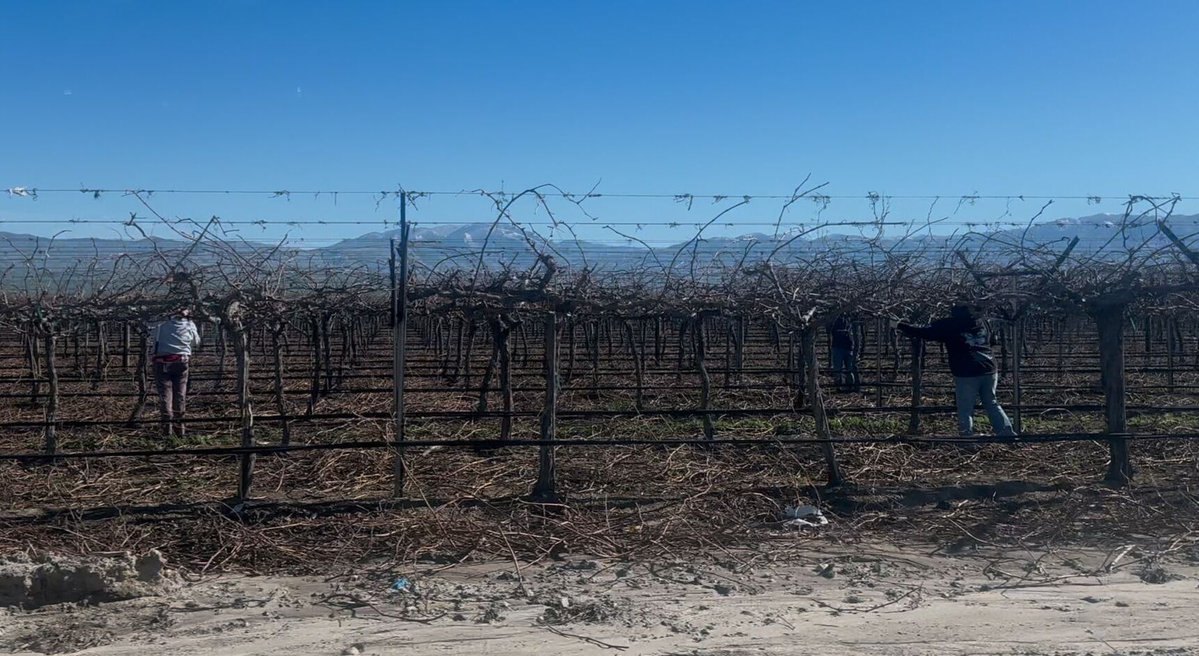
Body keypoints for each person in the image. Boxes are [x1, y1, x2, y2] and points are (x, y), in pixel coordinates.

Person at [897, 305, 1016, 438]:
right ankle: (1006, 433)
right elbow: (993, 341)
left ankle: (967, 437)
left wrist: (900, 325)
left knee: (965, 407)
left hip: (967, 370)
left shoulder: (950, 324)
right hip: (990, 368)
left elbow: (925, 332)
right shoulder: (982, 321)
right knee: (991, 402)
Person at [151, 308, 201, 439]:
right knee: (180, 395)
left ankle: (167, 430)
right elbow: (196, 342)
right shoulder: (189, 325)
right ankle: (180, 430)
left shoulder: (160, 324)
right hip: (181, 362)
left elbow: (151, 334)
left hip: (162, 363)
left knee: (165, 395)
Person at [829, 314, 859, 392]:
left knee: (849, 368)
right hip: (838, 347)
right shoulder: (834, 320)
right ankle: (839, 386)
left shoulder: (849, 320)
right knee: (838, 368)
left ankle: (849, 385)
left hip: (848, 347)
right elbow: (832, 331)